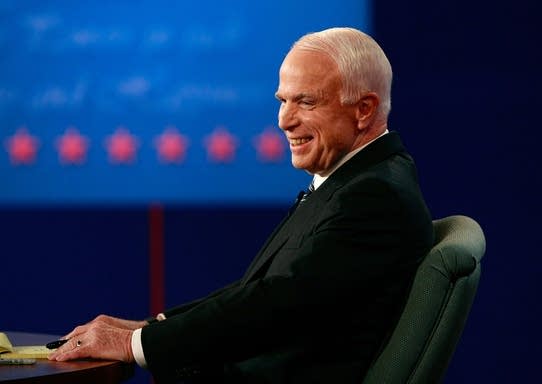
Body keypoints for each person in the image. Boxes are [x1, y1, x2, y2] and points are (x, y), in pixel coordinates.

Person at [49, 27, 433, 383]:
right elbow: (263, 290)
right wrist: (149, 328)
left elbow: (276, 309)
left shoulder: (374, 196)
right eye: (283, 100)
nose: (284, 120)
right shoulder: (357, 181)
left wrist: (134, 347)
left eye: (306, 101)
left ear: (364, 109)